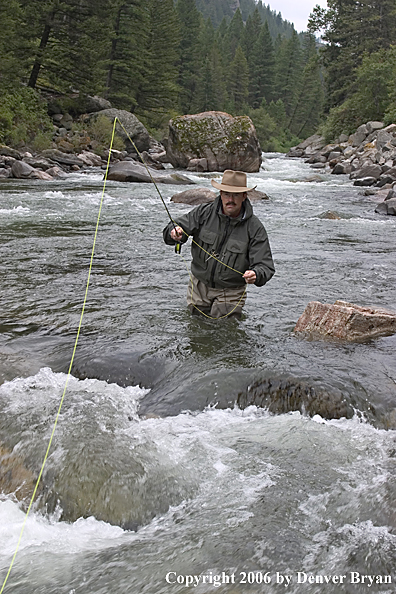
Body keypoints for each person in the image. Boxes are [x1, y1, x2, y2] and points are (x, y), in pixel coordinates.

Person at [163, 169, 275, 318]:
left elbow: (265, 266)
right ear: (220, 194)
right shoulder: (203, 213)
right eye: (227, 194)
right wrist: (174, 233)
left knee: (224, 331)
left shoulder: (255, 228)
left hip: (231, 291)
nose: (231, 199)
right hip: (199, 286)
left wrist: (256, 274)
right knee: (196, 328)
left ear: (244, 196)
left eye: (235, 195)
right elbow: (173, 227)